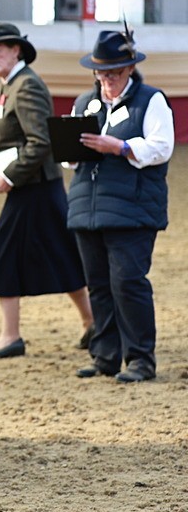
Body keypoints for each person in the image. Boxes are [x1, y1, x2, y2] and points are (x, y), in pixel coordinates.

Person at [0, 23, 92, 358]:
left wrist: (10, 176)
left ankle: (10, 337)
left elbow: (41, 142)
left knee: (3, 256)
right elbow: (18, 141)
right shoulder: (10, 84)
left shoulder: (26, 85)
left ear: (16, 50)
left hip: (34, 189)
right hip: (38, 187)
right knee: (63, 255)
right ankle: (92, 322)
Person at [69, 30, 174, 383]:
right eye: (101, 73)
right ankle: (105, 357)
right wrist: (68, 149)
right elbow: (71, 160)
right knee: (98, 284)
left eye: (114, 73)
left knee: (128, 282)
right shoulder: (84, 102)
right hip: (87, 207)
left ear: (130, 68)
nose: (107, 80)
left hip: (133, 208)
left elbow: (162, 147)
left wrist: (121, 147)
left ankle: (141, 359)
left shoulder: (151, 100)